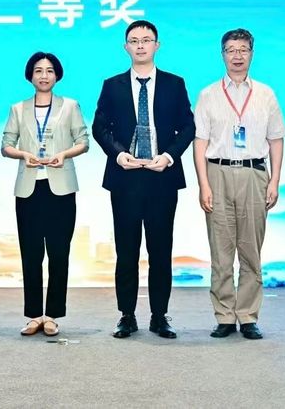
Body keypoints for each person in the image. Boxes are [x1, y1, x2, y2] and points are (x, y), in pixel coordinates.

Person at [92, 20, 195, 339]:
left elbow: (188, 127)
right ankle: (126, 315)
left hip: (162, 177)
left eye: (146, 40)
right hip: (125, 178)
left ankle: (159, 316)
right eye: (134, 40)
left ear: (157, 45)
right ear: (126, 47)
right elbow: (100, 127)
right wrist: (118, 154)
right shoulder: (112, 85)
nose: (140, 45)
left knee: (161, 250)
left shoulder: (175, 84)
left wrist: (169, 156)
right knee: (126, 251)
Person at [192, 28, 285, 340]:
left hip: (254, 173)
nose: (237, 56)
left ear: (252, 54)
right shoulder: (208, 95)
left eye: (243, 50)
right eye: (231, 50)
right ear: (222, 55)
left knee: (250, 250)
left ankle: (247, 316)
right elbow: (199, 142)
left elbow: (276, 139)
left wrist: (274, 180)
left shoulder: (265, 94)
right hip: (217, 173)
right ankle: (224, 316)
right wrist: (204, 184)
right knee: (221, 252)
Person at [2, 52, 89, 337]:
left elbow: (83, 141)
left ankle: (52, 315)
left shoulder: (70, 106)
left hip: (61, 187)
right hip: (28, 188)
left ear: (57, 75)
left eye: (49, 70)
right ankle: (33, 315)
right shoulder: (18, 108)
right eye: (38, 70)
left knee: (59, 253)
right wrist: (22, 154)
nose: (43, 75)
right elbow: (6, 144)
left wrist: (64, 154)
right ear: (30, 75)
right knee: (30, 254)